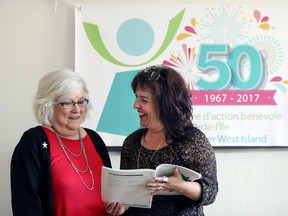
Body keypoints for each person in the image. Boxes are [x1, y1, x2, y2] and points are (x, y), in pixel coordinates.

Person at [106, 64, 218, 215]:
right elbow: (128, 196)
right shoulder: (132, 142)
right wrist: (122, 206)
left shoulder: (192, 140)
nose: (135, 105)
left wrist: (180, 185)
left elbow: (210, 192)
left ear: (165, 104)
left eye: (144, 100)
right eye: (136, 97)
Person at [10, 68, 112, 216]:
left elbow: (111, 193)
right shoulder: (33, 142)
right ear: (48, 104)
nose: (77, 109)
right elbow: (26, 205)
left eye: (81, 101)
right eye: (67, 103)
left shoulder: (94, 138)